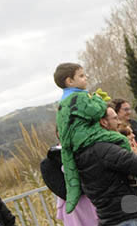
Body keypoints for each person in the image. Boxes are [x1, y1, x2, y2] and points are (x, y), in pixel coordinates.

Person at [53, 63, 131, 215]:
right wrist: (98, 100)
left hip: (72, 142)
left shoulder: (63, 102)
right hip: (85, 137)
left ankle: (72, 197)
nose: (85, 78)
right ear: (69, 81)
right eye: (81, 76)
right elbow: (96, 112)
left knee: (71, 172)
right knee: (120, 139)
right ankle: (136, 174)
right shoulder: (78, 97)